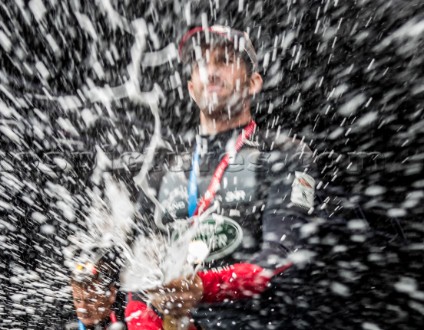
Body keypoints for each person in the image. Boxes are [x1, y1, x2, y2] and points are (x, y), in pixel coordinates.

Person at [125, 25, 320, 329]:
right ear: (191, 87)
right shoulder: (161, 173)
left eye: (225, 61)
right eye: (201, 64)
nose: (211, 72)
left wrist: (203, 287)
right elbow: (137, 286)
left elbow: (284, 256)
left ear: (253, 83)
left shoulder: (284, 154)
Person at [68, 252, 127, 330]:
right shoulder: (63, 324)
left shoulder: (132, 320)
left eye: (90, 300)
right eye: (77, 300)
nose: (82, 308)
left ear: (111, 294)